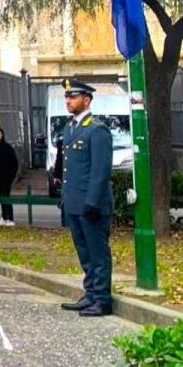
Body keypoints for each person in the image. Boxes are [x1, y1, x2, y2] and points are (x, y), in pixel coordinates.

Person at [57, 79, 115, 317]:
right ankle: (90, 293)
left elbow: (100, 171)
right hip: (74, 203)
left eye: (73, 97)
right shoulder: (70, 128)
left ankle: (102, 299)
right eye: (67, 97)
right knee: (84, 253)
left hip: (92, 205)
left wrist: (92, 201)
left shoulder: (97, 129)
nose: (68, 101)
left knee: (98, 253)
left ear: (87, 100)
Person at [0, 127, 19, 226]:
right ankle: (4, 217)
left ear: (2, 135)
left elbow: (15, 163)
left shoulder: (7, 147)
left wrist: (11, 176)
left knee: (6, 197)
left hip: (6, 178)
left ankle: (10, 218)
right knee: (1, 198)